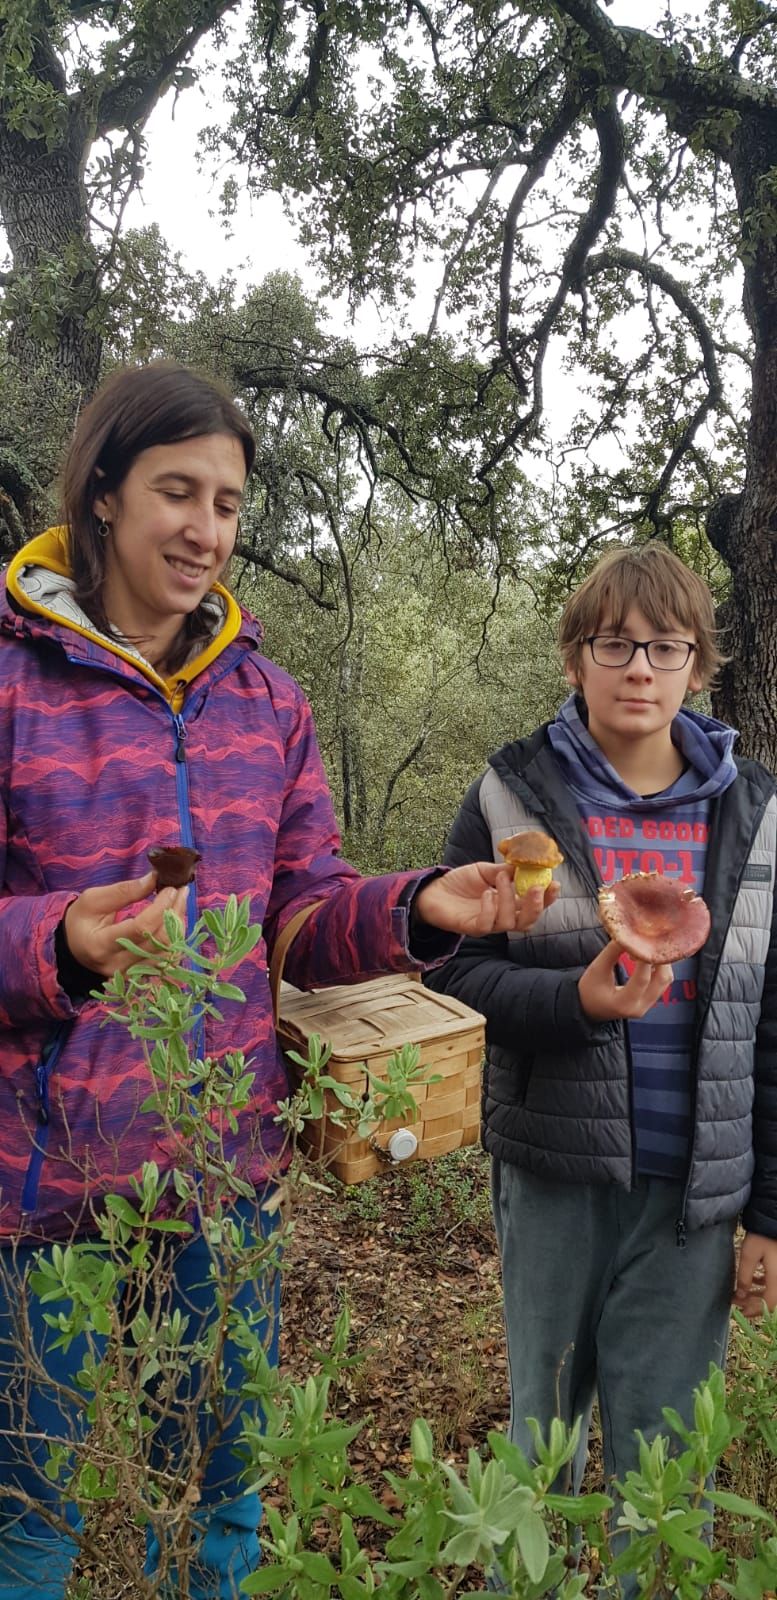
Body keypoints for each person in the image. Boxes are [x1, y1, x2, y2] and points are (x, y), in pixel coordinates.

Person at [0, 362, 555, 1600]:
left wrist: (419, 903)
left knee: (221, 1490)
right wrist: (62, 944)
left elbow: (302, 916)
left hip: (223, 1177)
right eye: (177, 493)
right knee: (27, 1513)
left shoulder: (267, 698)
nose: (207, 529)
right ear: (102, 495)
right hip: (43, 1190)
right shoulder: (12, 683)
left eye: (231, 503)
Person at [425, 542, 777, 1558]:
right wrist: (574, 1002)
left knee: (662, 1475)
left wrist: (769, 1213)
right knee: (539, 1444)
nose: (639, 669)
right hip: (553, 1180)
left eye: (665, 648)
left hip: (694, 1198)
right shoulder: (512, 792)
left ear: (698, 667)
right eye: (614, 644)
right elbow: (449, 968)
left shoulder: (755, 813)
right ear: (574, 659)